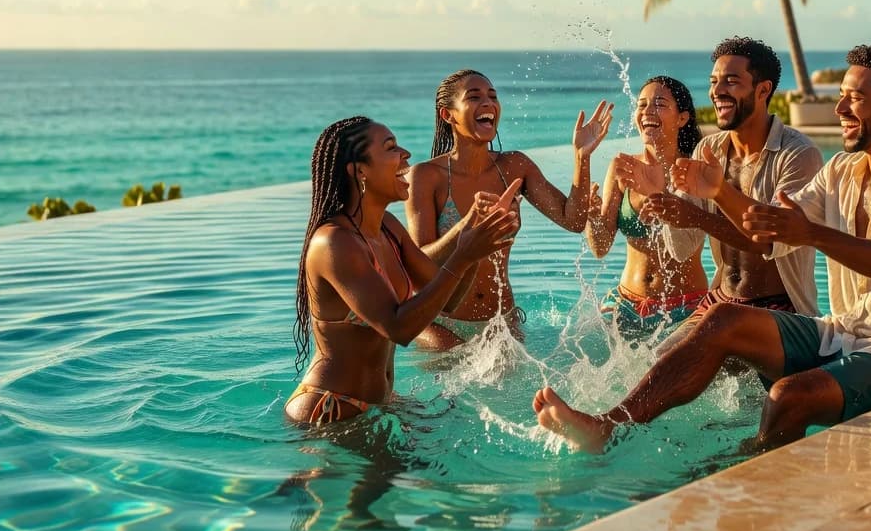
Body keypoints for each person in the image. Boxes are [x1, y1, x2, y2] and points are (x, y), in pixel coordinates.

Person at [532, 44, 871, 452]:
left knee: (788, 396)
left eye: (853, 98)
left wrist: (811, 233)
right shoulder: (842, 169)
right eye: (840, 96)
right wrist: (715, 193)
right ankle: (608, 426)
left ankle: (730, 471)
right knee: (720, 319)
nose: (838, 109)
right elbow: (771, 232)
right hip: (839, 332)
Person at [285, 116, 518, 426]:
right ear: (360, 171)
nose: (406, 154)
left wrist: (479, 244)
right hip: (331, 411)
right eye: (391, 147)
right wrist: (463, 255)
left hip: (380, 404)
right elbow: (399, 328)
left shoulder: (388, 228)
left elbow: (449, 302)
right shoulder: (335, 243)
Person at [621, 37, 823, 351]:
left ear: (763, 90)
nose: (717, 91)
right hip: (721, 299)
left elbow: (771, 243)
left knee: (694, 358)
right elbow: (682, 248)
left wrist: (701, 210)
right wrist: (666, 202)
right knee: (661, 358)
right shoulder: (709, 149)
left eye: (731, 81)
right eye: (714, 81)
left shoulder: (798, 155)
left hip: (780, 308)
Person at [406, 70, 613, 349]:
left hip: (502, 325)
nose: (488, 103)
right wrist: (468, 225)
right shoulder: (426, 176)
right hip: (443, 327)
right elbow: (418, 264)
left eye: (493, 96)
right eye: (474, 97)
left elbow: (573, 220)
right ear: (448, 115)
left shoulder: (514, 167)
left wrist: (581, 157)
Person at [586, 76, 709, 334]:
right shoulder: (622, 167)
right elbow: (600, 247)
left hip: (686, 306)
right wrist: (592, 217)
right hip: (625, 304)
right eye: (641, 104)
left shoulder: (696, 171)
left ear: (682, 118)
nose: (647, 111)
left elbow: (691, 242)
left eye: (659, 104)